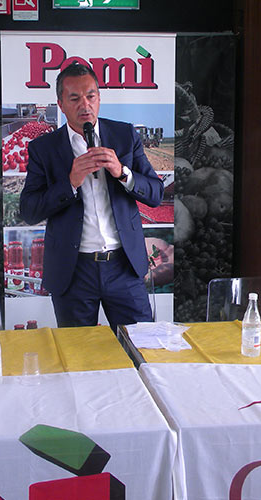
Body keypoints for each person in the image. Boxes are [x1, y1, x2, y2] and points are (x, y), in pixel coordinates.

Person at [19, 63, 164, 329]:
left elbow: (156, 193)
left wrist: (123, 173)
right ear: (61, 104)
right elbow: (29, 210)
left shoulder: (124, 135)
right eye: (75, 98)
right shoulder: (44, 148)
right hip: (73, 270)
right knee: (79, 351)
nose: (85, 104)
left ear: (99, 98)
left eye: (91, 96)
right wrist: (70, 183)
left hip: (123, 266)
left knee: (140, 345)